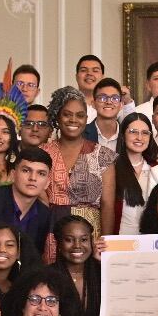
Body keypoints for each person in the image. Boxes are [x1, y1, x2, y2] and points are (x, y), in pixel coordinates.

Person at [0, 146, 68, 259]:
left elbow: (33, 259)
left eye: (41, 173)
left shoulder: (44, 214)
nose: (33, 178)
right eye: (26, 170)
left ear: (47, 183)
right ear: (12, 175)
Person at [44, 87, 115, 237]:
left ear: (86, 118)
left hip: (90, 236)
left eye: (80, 115)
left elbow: (108, 205)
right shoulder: (43, 153)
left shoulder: (103, 155)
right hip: (50, 231)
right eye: (67, 114)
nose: (73, 120)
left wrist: (106, 244)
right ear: (58, 117)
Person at [101, 113, 158, 235]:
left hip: (151, 243)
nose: (139, 137)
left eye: (145, 133)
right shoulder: (111, 168)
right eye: (133, 132)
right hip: (120, 242)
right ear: (123, 135)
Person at [84, 76, 124, 154]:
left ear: (121, 105)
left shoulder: (128, 135)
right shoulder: (81, 134)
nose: (109, 102)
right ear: (93, 104)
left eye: (114, 98)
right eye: (102, 98)